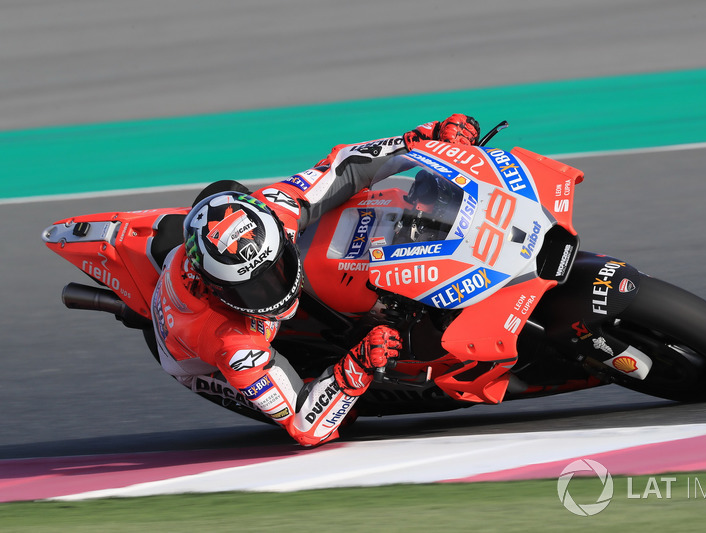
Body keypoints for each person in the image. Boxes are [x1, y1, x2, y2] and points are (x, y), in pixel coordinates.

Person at [151, 114, 481, 446]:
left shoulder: (273, 211)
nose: (273, 288)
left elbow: (346, 166)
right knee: (345, 414)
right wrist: (359, 364)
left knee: (349, 205)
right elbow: (305, 427)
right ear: (217, 288)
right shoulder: (232, 345)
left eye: (277, 266)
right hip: (202, 360)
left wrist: (426, 140)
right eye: (254, 288)